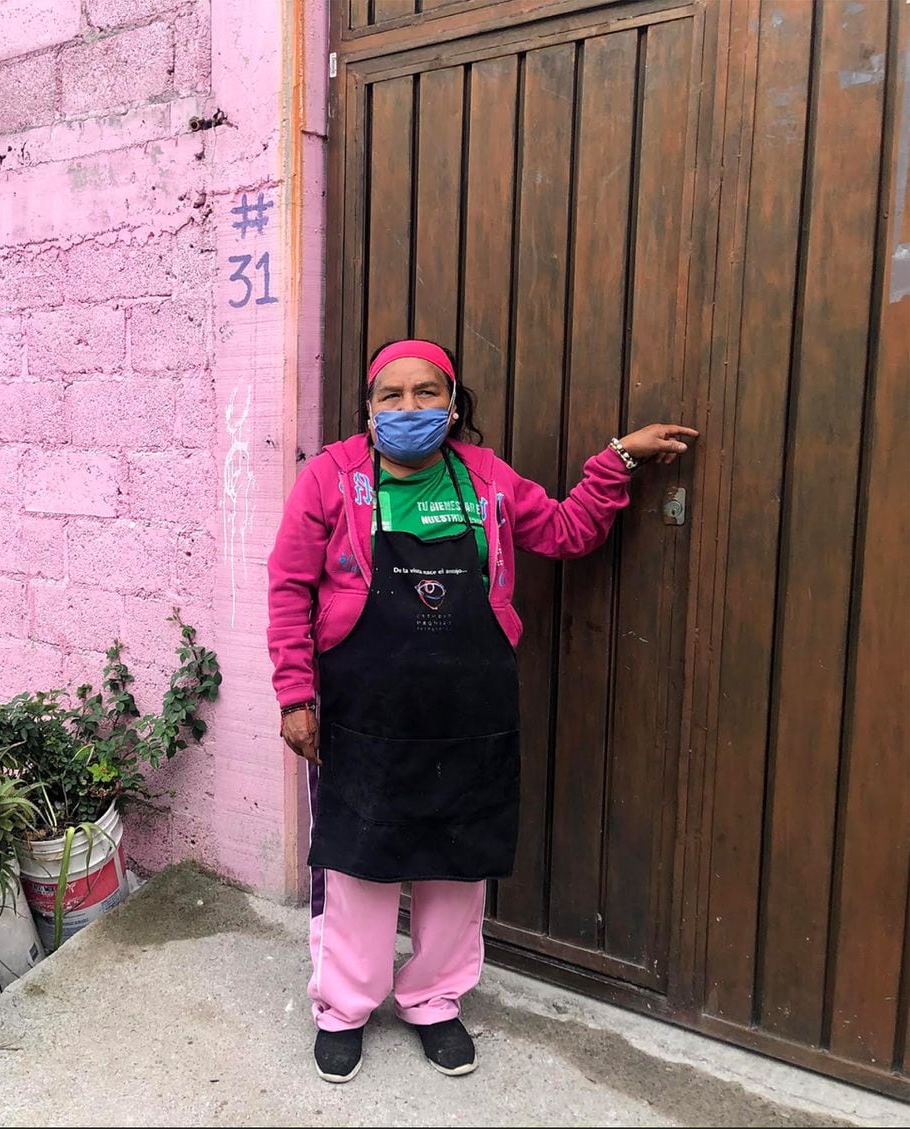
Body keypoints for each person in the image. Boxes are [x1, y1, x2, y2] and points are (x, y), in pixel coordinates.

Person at [266, 338, 697, 1083]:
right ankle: (344, 1006)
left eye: (426, 392)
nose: (409, 408)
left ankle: (434, 1000)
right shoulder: (330, 480)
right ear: (367, 411)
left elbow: (565, 530)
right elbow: (289, 588)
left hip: (472, 710)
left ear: (454, 404)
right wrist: (295, 693)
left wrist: (617, 459)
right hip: (361, 712)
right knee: (360, 865)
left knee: (458, 865)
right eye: (390, 395)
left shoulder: (486, 479)